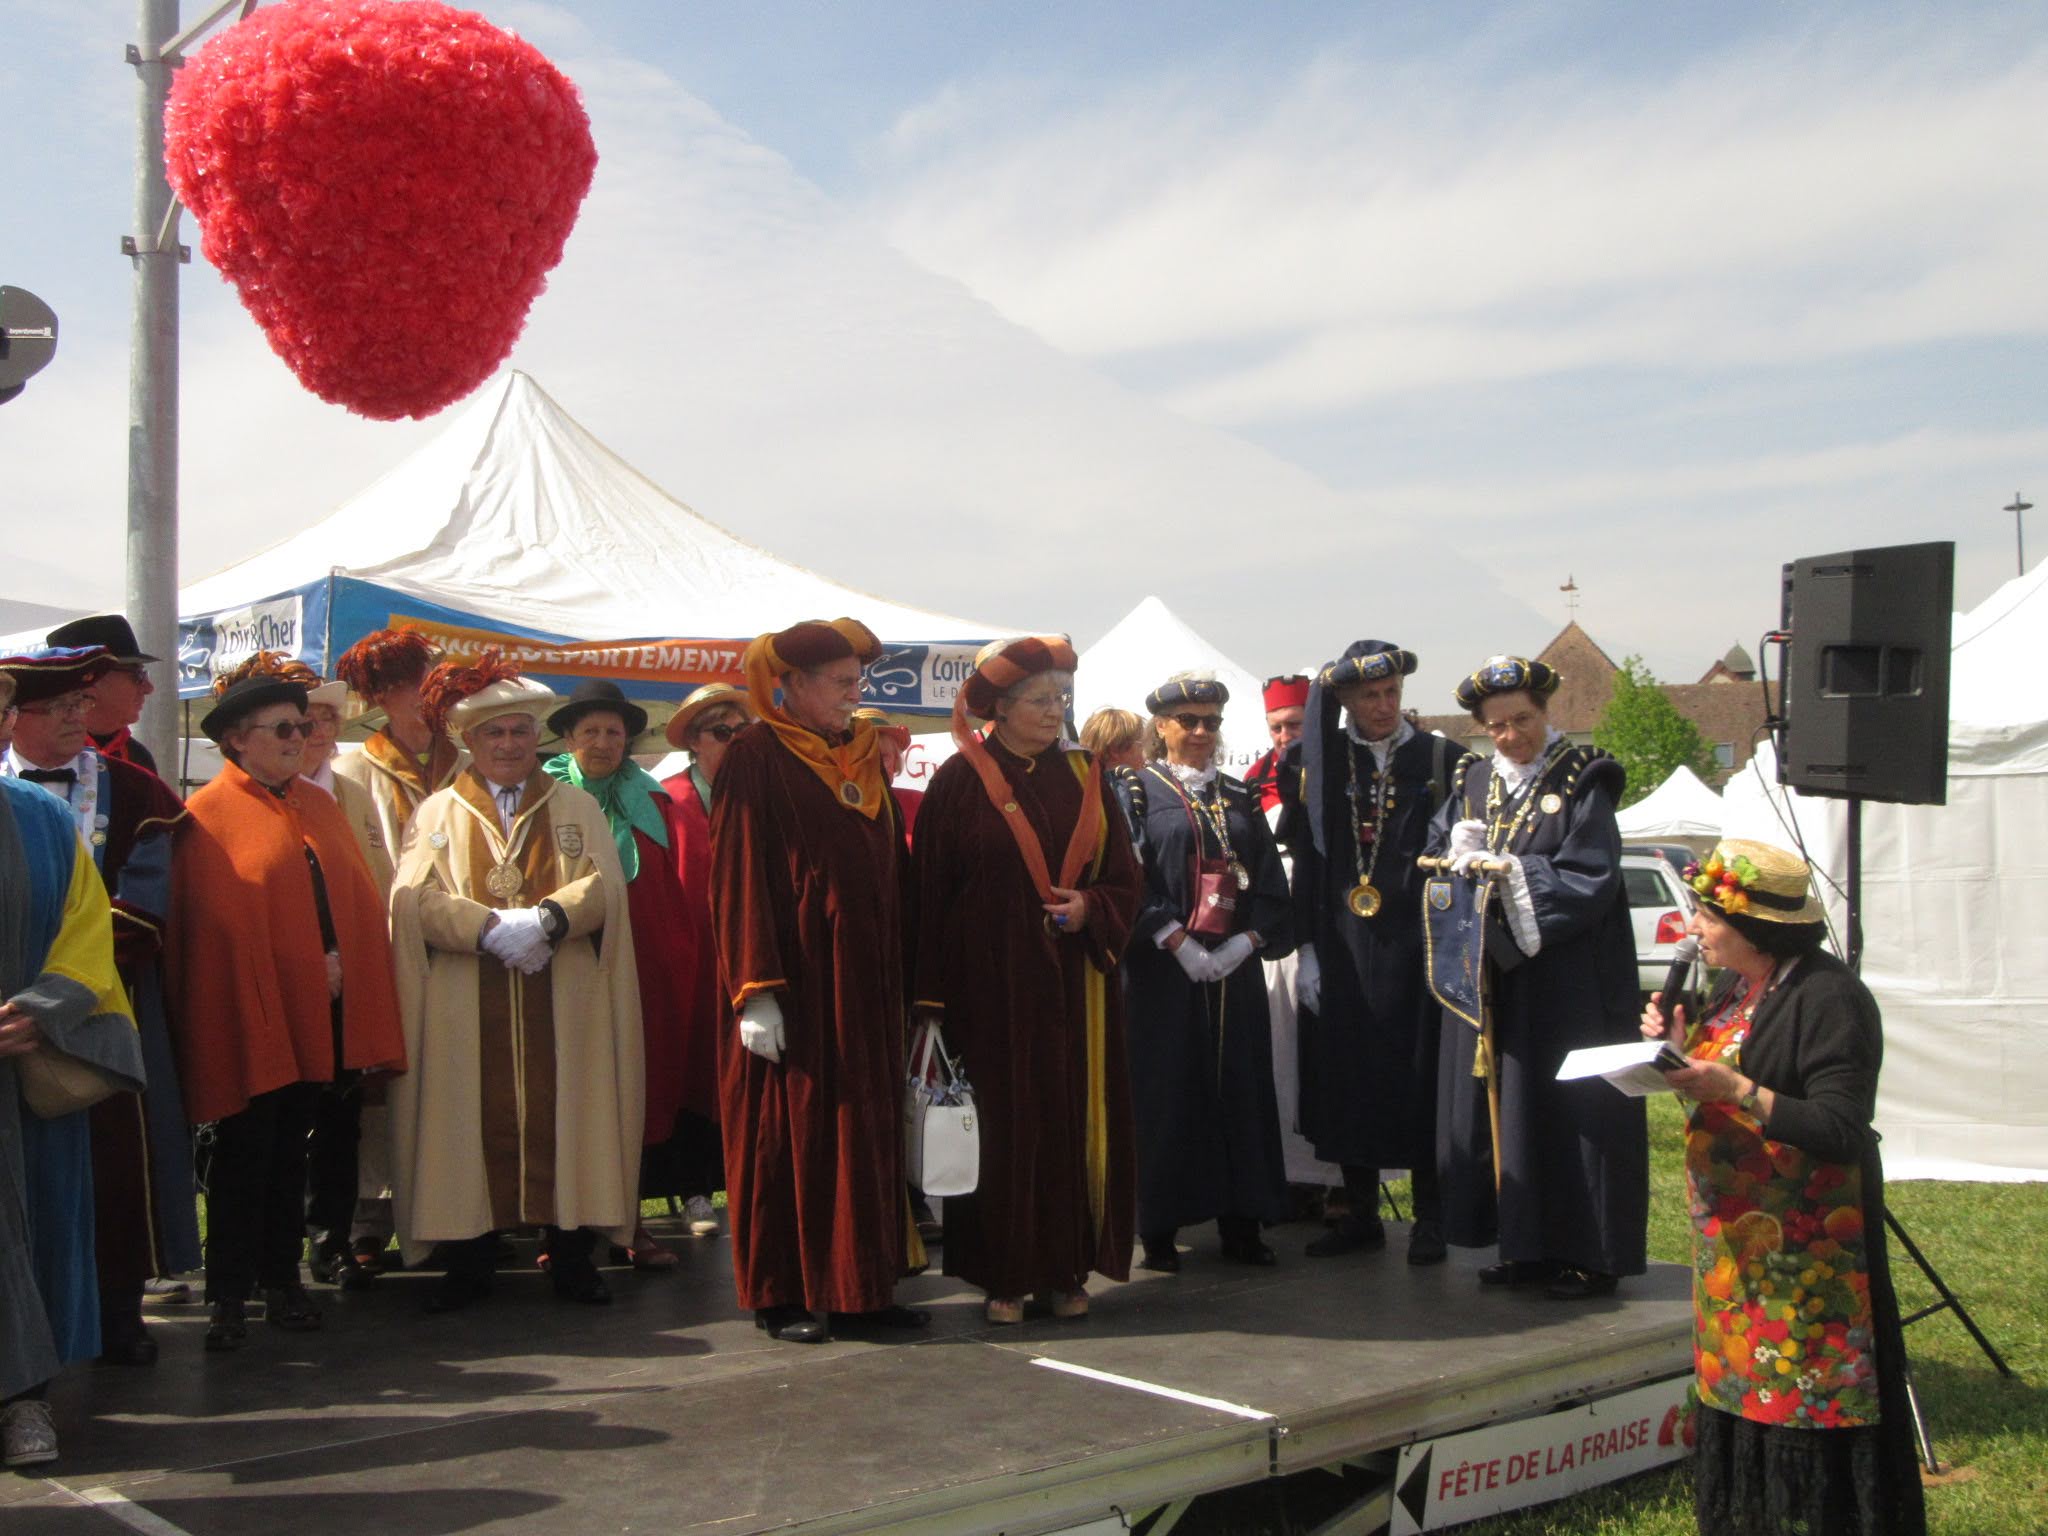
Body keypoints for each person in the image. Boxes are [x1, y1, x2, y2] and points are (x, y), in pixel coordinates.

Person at [1643, 840, 1926, 1536]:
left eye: (1708, 917)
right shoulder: (1737, 987)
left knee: (1807, 1398)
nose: (1696, 931)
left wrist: (1737, 1087)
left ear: (1755, 926)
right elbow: (1718, 1087)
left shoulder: (1831, 998)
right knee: (1744, 1395)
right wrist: (1679, 1049)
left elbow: (1838, 1125)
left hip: (1808, 1258)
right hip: (1738, 1254)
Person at [388, 655, 644, 1312]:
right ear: (470, 742)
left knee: (574, 1117)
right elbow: (410, 900)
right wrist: (484, 928)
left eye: (519, 733)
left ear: (538, 739)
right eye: (494, 735)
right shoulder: (438, 813)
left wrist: (550, 919)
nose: (508, 746)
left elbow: (607, 887)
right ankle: (467, 1262)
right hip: (464, 1001)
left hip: (563, 998)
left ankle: (571, 1259)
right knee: (462, 1123)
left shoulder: (576, 805)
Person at [167, 674, 406, 1351]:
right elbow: (217, 931)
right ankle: (228, 1293)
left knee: (295, 1150)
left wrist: (344, 968)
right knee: (244, 1154)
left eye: (303, 728)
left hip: (321, 1012)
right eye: (283, 730)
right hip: (251, 1015)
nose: (299, 740)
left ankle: (284, 1278)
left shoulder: (319, 806)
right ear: (236, 742)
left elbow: (352, 904)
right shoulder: (208, 816)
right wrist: (309, 968)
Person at [710, 617, 927, 1344]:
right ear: (792, 686)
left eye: (855, 682)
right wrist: (755, 988)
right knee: (788, 1133)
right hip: (795, 979)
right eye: (838, 683)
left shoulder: (857, 755)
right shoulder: (754, 756)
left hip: (863, 982)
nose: (852, 695)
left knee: (861, 1128)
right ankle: (785, 1294)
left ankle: (861, 1286)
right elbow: (738, 873)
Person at [912, 637, 1141, 1323]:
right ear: (1001, 709)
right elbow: (928, 894)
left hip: (1071, 988)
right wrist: (929, 999)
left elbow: (1126, 879)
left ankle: (1068, 1270)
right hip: (986, 990)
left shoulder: (1085, 776)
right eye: (1040, 700)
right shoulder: (957, 782)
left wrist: (1089, 909)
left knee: (1067, 1122)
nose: (1055, 710)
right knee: (1004, 1131)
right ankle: (1003, 1278)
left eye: (1061, 699)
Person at [1423, 655, 1646, 1299]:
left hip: (1570, 976)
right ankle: (1523, 1245)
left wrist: (1512, 874)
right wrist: (1455, 858)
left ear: (1546, 714)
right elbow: (1441, 854)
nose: (1511, 735)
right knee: (1510, 1103)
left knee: (1572, 1105)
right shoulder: (1471, 783)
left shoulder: (1584, 776)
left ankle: (1587, 1253)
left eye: (1521, 719)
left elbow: (1591, 873)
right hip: (1499, 973)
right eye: (1496, 726)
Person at [1, 646, 199, 1363]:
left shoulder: (134, 790)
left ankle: (116, 1308)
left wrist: (56, 986)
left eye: (79, 707)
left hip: (104, 1002)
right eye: (55, 709)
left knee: (115, 1158)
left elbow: (148, 906)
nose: (72, 721)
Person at [1, 680, 145, 1470]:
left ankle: (27, 1399)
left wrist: (41, 1008)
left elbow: (87, 936)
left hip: (24, 1067)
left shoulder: (45, 822)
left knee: (36, 1233)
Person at [1293, 642, 1464, 1265]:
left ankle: (1430, 1219)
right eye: (1369, 696)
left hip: (1417, 948)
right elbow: (1309, 862)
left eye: (1391, 692)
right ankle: (1358, 1212)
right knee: (1348, 1080)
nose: (1384, 705)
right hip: (1343, 945)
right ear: (1343, 701)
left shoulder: (1443, 757)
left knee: (1419, 1082)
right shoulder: (1320, 763)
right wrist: (1308, 947)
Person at [1121, 672, 1295, 1271]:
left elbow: (1270, 883)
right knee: (1169, 1091)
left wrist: (1245, 942)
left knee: (1239, 1093)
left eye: (1211, 722)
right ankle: (1162, 1225)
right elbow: (1125, 877)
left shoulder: (1238, 796)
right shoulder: (1136, 791)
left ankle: (1242, 1222)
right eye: (1188, 721)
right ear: (1162, 727)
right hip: (1163, 975)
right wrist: (1173, 939)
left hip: (1232, 972)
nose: (1200, 732)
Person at [542, 678, 700, 1268]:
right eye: (591, 732)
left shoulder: (650, 801)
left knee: (630, 1093)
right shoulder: (547, 797)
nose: (604, 742)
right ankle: (563, 1228)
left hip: (640, 971)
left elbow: (667, 897)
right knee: (568, 1093)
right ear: (568, 737)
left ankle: (629, 1221)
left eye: (614, 732)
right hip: (565, 963)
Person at [331, 630, 458, 1272]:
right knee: (384, 1084)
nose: (433, 697)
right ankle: (372, 1218)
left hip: (462, 946)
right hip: (386, 947)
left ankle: (460, 1209)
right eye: (418, 684)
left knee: (457, 1077)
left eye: (437, 681)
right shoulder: (353, 769)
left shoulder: (468, 761)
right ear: (383, 695)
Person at [1238, 675, 1342, 1212]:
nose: (1285, 735)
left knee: (1322, 1060)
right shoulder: (1252, 783)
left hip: (1322, 934)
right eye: (1277, 726)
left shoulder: (1335, 774)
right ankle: (1288, 1176)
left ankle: (1336, 1181)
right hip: (1273, 943)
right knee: (1278, 1061)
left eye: (1295, 724)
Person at [656, 682, 755, 1241]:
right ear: (695, 741)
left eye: (744, 731)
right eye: (723, 731)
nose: (736, 741)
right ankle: (694, 1189)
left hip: (753, 957)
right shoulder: (667, 800)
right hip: (692, 957)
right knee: (696, 1070)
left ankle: (749, 1185)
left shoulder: (763, 796)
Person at [331, 628, 466, 894]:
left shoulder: (469, 768)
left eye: (431, 683)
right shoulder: (348, 775)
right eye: (409, 685)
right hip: (391, 925)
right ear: (380, 696)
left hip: (467, 924)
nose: (424, 694)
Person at [45, 614, 160, 778]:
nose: (149, 688)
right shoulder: (41, 753)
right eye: (138, 675)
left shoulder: (138, 756)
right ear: (90, 680)